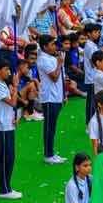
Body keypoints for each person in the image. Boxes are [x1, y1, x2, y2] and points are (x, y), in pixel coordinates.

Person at [0, 58, 20, 198]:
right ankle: (4, 189)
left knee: (10, 157)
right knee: (5, 158)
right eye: (6, 69)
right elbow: (12, 102)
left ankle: (8, 187)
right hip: (2, 128)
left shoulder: (3, 85)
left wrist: (14, 117)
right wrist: (15, 86)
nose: (8, 72)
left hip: (8, 125)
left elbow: (9, 107)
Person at [35, 35, 65, 164]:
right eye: (52, 44)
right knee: (49, 127)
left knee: (52, 126)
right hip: (49, 98)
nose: (55, 46)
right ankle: (48, 154)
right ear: (45, 46)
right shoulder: (43, 60)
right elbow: (54, 77)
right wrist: (59, 64)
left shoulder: (51, 58)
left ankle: (51, 152)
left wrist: (64, 94)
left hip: (56, 96)